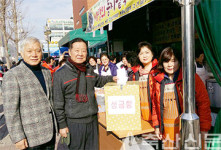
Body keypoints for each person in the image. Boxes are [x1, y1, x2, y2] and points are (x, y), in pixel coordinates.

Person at [53, 38, 117, 150]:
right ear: (70, 51)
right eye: (77, 50)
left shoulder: (88, 69)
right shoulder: (61, 74)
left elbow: (98, 80)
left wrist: (112, 78)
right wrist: (62, 125)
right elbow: (58, 103)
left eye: (83, 50)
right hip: (74, 124)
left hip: (92, 121)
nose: (80, 54)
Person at [2, 37, 57, 150]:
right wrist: (18, 137)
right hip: (30, 136)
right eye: (29, 51)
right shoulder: (13, 75)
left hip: (49, 132)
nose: (34, 54)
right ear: (22, 53)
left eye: (38, 50)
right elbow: (11, 110)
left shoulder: (46, 72)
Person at [152, 47, 211, 149]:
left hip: (189, 132)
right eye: (166, 61)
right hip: (167, 134)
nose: (170, 65)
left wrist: (204, 128)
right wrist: (157, 127)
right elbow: (155, 105)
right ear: (162, 63)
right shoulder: (158, 81)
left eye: (174, 61)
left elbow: (203, 103)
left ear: (180, 61)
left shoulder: (190, 78)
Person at [132, 41, 158, 122]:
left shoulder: (158, 71)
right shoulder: (136, 73)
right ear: (138, 56)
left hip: (156, 115)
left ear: (152, 54)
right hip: (142, 116)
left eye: (147, 52)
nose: (144, 56)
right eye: (141, 53)